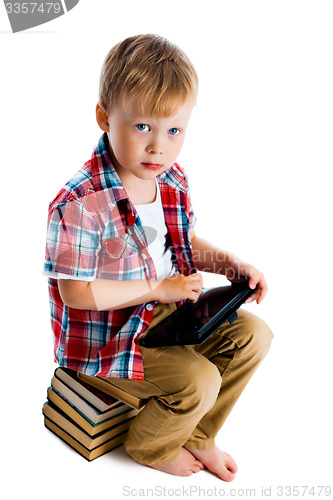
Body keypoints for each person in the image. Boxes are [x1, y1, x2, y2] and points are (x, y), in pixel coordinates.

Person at [43, 34, 273, 481]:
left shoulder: (170, 179)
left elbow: (181, 243)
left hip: (166, 311)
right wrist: (157, 288)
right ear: (104, 118)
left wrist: (229, 264)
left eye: (174, 131)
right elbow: (75, 292)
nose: (159, 147)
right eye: (143, 127)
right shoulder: (79, 203)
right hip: (110, 338)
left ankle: (199, 434)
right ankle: (151, 445)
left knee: (254, 336)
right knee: (198, 380)